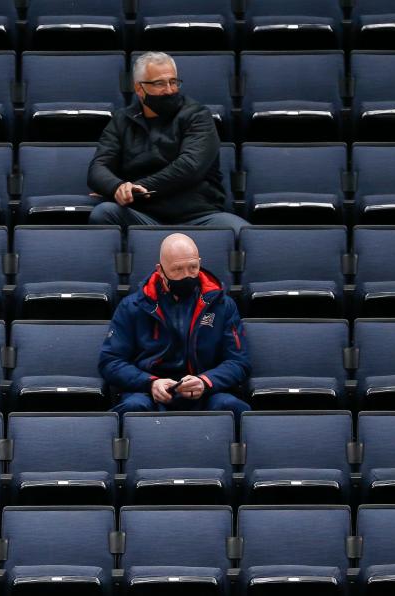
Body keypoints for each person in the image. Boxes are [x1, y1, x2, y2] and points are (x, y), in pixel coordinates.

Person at [87, 52, 248, 237]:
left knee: (243, 233)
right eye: (160, 83)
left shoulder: (198, 115)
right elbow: (97, 168)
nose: (170, 90)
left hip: (198, 217)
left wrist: (136, 189)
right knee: (103, 213)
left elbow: (189, 167)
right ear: (139, 89)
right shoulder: (122, 120)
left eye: (173, 82)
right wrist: (116, 187)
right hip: (143, 216)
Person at [100, 233, 250, 419]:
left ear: (199, 262)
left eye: (193, 267)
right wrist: (150, 383)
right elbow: (110, 362)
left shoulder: (223, 305)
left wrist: (205, 381)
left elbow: (238, 362)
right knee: (133, 407)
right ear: (160, 270)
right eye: (177, 269)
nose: (187, 276)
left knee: (231, 406)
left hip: (206, 391)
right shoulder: (132, 307)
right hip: (149, 392)